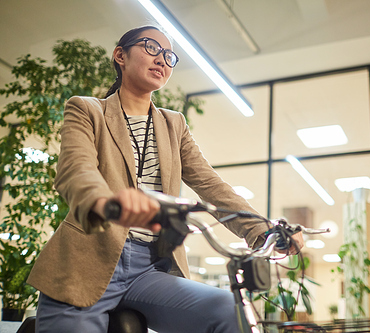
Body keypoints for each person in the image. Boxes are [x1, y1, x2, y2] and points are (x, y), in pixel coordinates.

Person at [27, 25, 304, 333]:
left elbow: (211, 185)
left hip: (149, 271)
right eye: (150, 47)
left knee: (229, 311)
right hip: (85, 262)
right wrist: (106, 202)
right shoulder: (87, 109)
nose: (162, 59)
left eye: (169, 56)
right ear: (120, 55)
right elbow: (76, 169)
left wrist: (263, 230)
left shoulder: (174, 124)